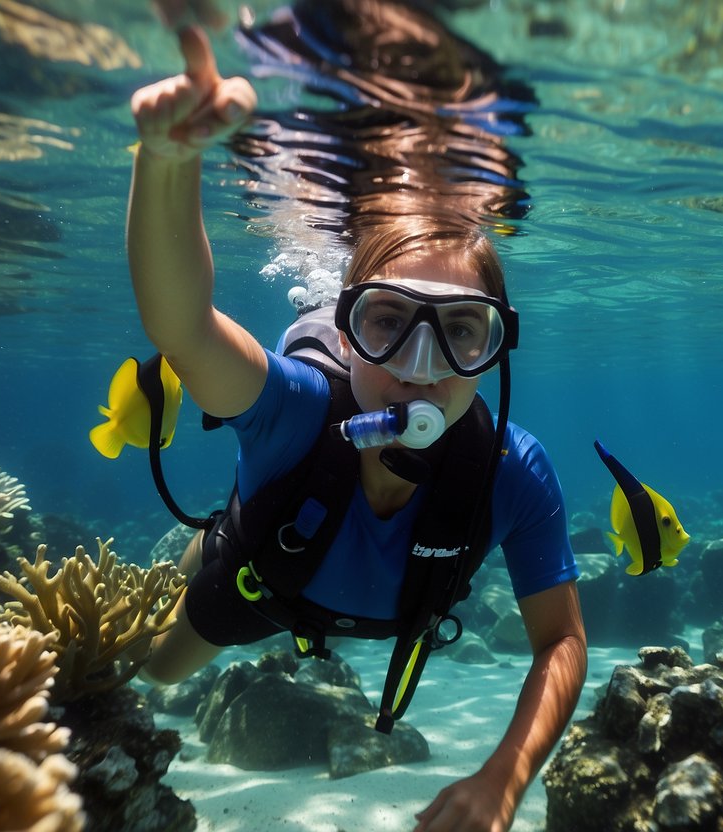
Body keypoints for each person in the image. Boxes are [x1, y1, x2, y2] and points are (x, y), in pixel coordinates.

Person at [127, 22, 586, 832]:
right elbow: (185, 328)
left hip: (346, 590)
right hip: (260, 583)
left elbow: (562, 642)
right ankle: (214, 532)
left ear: (495, 349)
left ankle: (220, 522)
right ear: (342, 334)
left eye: (463, 333)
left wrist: (503, 781)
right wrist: (166, 161)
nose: (419, 364)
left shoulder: (512, 471)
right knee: (155, 674)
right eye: (387, 323)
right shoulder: (298, 407)